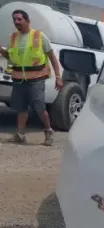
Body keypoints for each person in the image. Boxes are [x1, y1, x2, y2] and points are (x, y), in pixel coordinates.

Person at [0, 9, 63, 145]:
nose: (16, 22)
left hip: (36, 78)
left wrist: (58, 77)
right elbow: (11, 57)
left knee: (39, 107)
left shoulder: (39, 36)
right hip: (18, 79)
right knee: (21, 109)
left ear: (27, 21)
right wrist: (1, 50)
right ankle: (20, 135)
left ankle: (48, 131)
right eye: (14, 20)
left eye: (19, 19)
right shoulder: (12, 37)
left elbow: (52, 57)